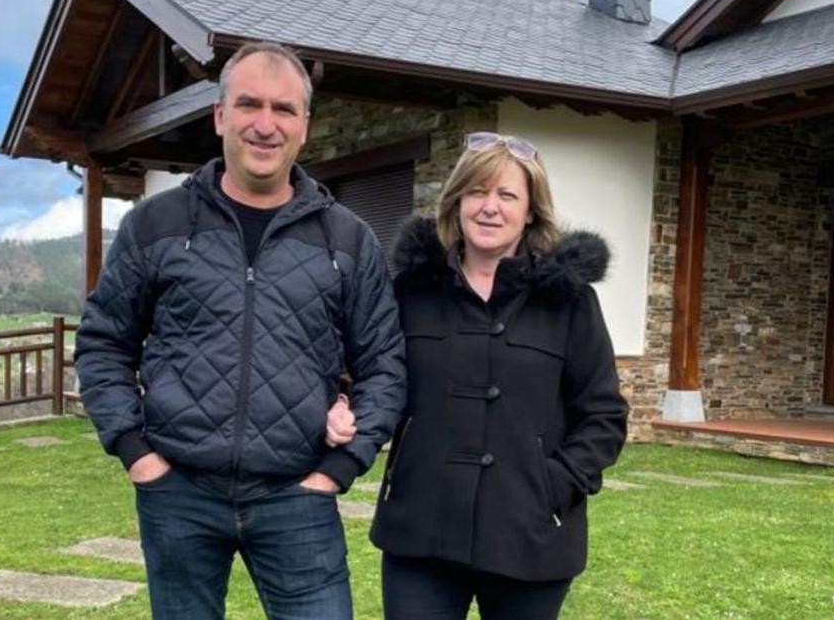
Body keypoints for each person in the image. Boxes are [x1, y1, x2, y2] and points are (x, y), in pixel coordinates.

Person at [74, 41, 406, 620]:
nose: (265, 124)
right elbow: (103, 342)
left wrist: (338, 469)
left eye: (283, 109)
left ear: (304, 126)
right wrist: (136, 454)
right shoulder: (157, 224)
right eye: (249, 104)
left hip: (298, 498)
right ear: (221, 116)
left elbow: (385, 363)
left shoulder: (347, 239)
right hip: (178, 493)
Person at [367, 132, 629, 619]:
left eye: (506, 195)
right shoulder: (412, 291)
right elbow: (375, 380)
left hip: (529, 535)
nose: (490, 207)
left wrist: (554, 485)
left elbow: (604, 415)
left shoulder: (569, 302)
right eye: (476, 192)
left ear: (530, 210)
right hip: (421, 530)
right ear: (457, 201)